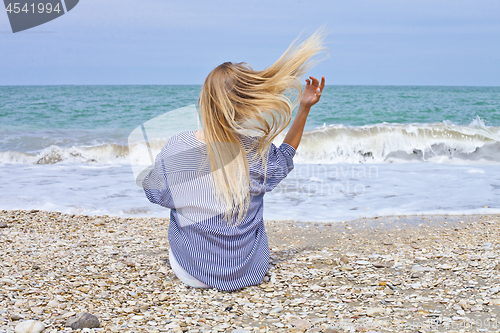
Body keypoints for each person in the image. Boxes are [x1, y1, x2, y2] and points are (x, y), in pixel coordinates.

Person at [143, 30, 326, 291]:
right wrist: (304, 107)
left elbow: (154, 193)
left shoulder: (178, 146)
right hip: (248, 271)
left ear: (205, 100)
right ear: (244, 103)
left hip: (192, 274)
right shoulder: (253, 151)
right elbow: (286, 155)